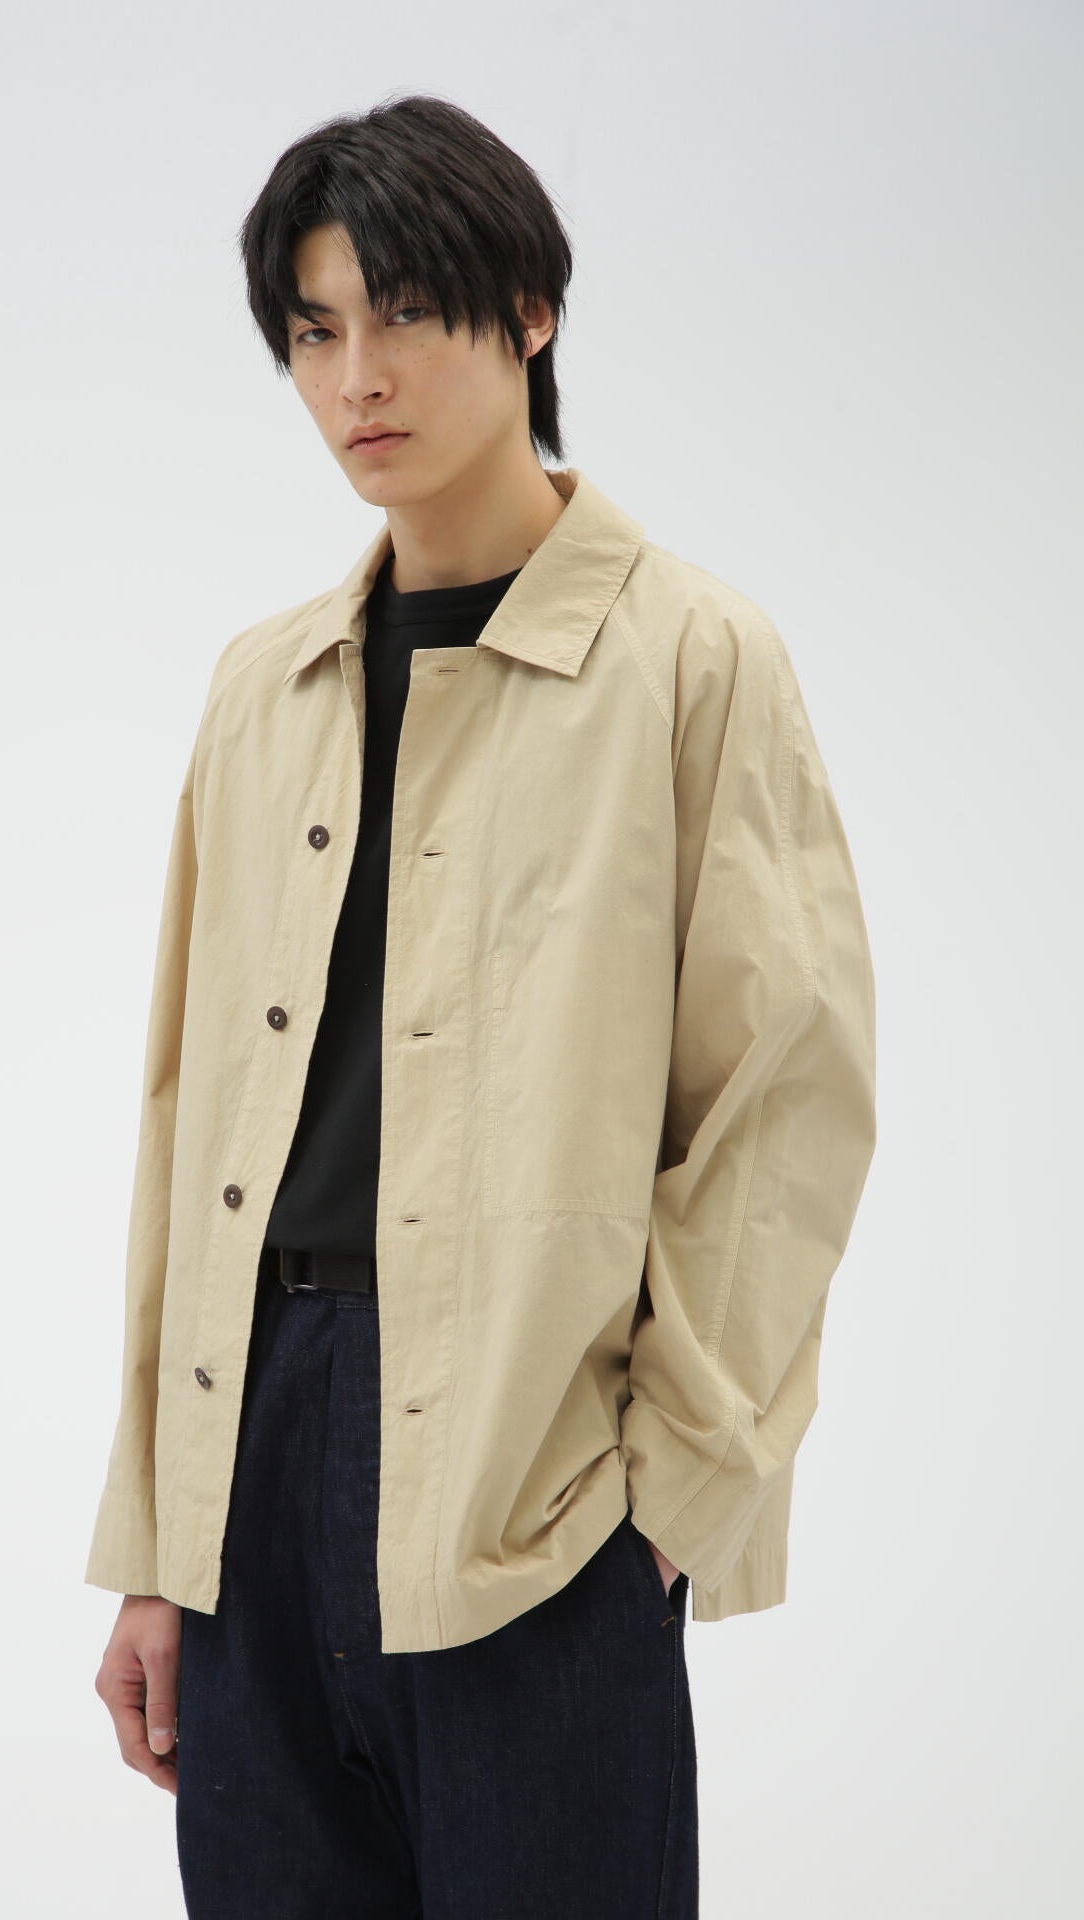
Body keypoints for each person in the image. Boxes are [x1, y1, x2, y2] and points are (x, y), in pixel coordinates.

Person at [86, 91, 877, 1919]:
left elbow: (786, 1100)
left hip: (540, 1481)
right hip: (258, 1456)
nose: (356, 376)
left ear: (530, 313)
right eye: (313, 331)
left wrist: (663, 1506)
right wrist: (160, 1540)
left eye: (404, 312)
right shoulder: (264, 687)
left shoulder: (689, 657)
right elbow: (184, 1127)